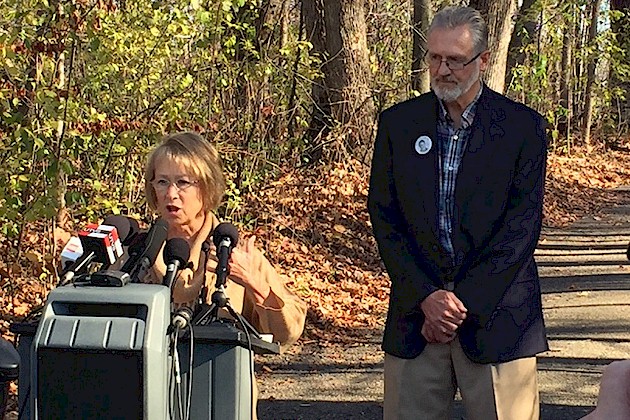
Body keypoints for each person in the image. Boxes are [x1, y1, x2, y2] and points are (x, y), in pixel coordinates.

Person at [368, 6, 548, 420]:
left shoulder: (521, 129)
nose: (442, 70)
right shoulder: (399, 124)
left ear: (482, 61)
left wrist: (459, 305)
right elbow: (385, 216)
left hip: (498, 320)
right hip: (417, 319)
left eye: (454, 59)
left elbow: (520, 231)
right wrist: (427, 297)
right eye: (434, 57)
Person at [142, 131, 307, 417]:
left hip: (218, 399)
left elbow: (287, 332)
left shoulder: (234, 252)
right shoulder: (138, 253)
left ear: (206, 188)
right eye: (162, 181)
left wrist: (255, 285)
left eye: (183, 182)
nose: (171, 194)